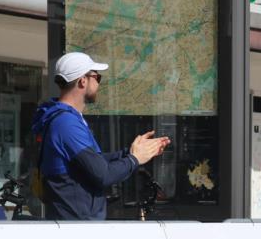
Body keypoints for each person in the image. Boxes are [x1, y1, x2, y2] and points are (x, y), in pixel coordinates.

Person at [31, 52, 170, 220]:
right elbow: (103, 175)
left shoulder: (67, 119)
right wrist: (135, 159)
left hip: (77, 225)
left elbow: (93, 162)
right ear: (83, 81)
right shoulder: (66, 124)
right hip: (77, 229)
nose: (99, 83)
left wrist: (131, 152)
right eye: (97, 77)